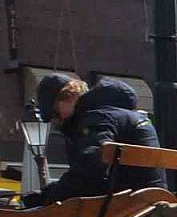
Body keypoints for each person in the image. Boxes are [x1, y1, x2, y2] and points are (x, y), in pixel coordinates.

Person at [23, 74, 166, 208]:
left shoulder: (97, 118)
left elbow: (90, 170)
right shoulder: (117, 114)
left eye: (55, 112)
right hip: (148, 198)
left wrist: (48, 202)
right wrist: (45, 195)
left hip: (126, 206)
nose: (58, 120)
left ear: (70, 96)